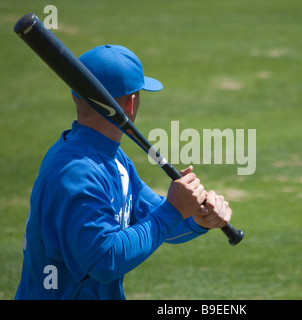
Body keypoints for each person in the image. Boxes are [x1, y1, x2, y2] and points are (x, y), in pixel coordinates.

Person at [15, 44, 233, 300]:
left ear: (76, 95)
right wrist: (173, 210)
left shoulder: (111, 158)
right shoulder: (77, 173)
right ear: (130, 104)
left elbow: (156, 221)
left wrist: (196, 218)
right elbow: (103, 261)